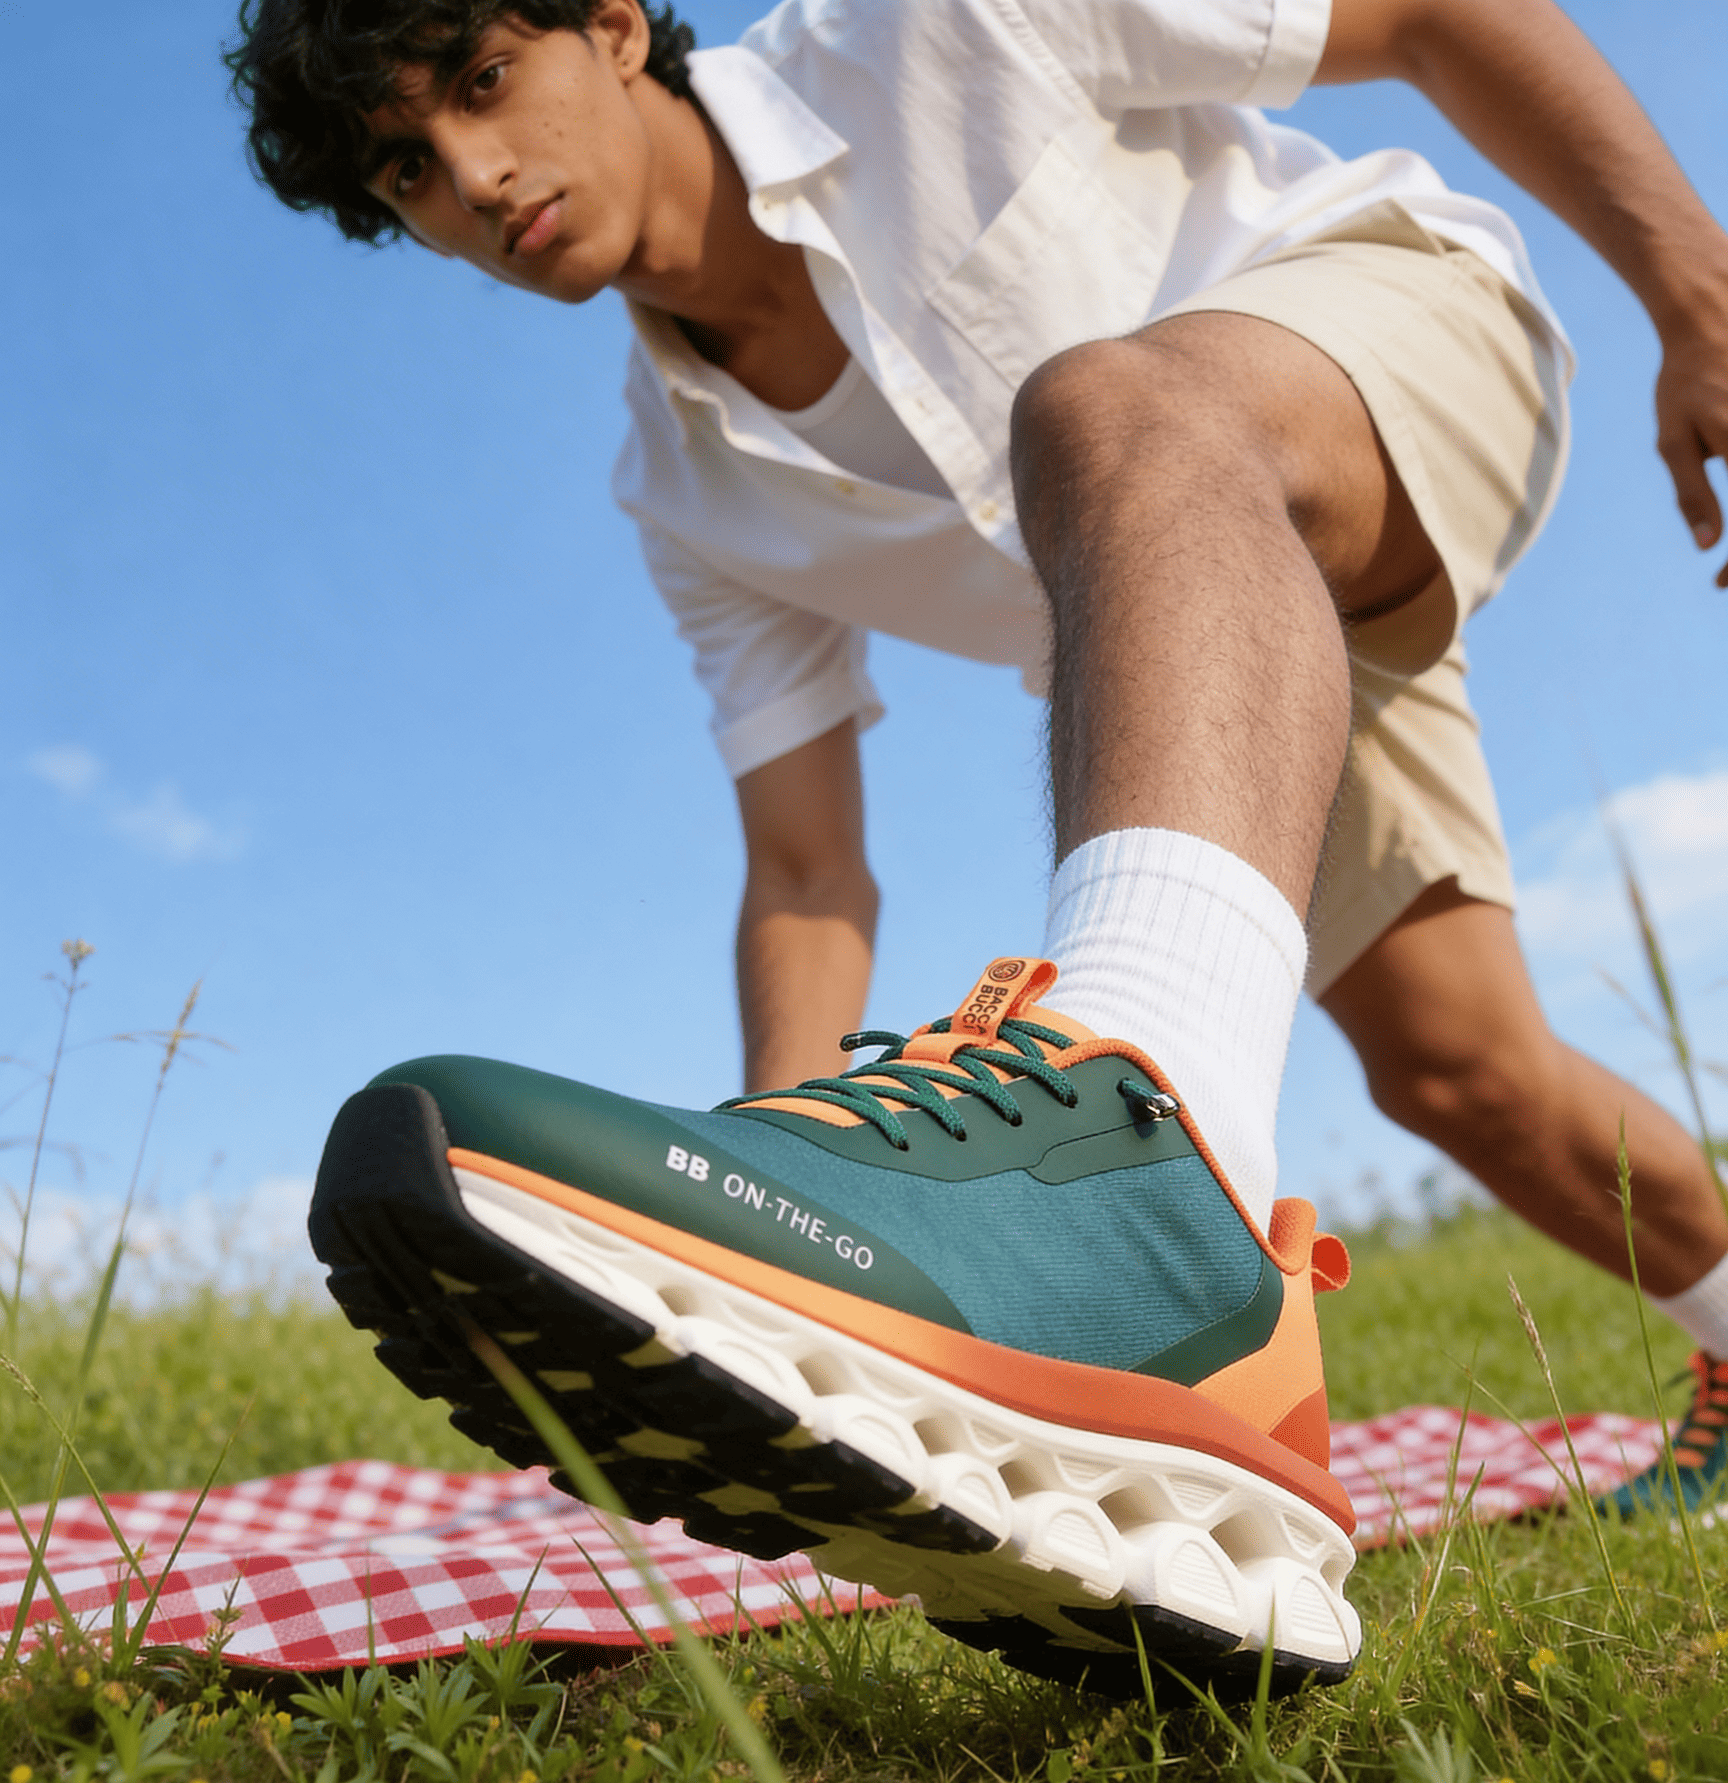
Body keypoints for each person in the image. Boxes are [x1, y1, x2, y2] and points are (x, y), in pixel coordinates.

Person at [236, 0, 1728, 1693]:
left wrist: (1695, 288)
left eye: (487, 85)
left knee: (1110, 408)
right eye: (409, 170)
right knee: (1469, 1075)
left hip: (1388, 335)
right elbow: (806, 874)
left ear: (618, 28)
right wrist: (768, 1253)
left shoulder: (921, 28)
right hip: (1230, 649)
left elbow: (1434, 18)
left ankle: (1158, 1221)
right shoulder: (684, 494)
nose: (475, 174)